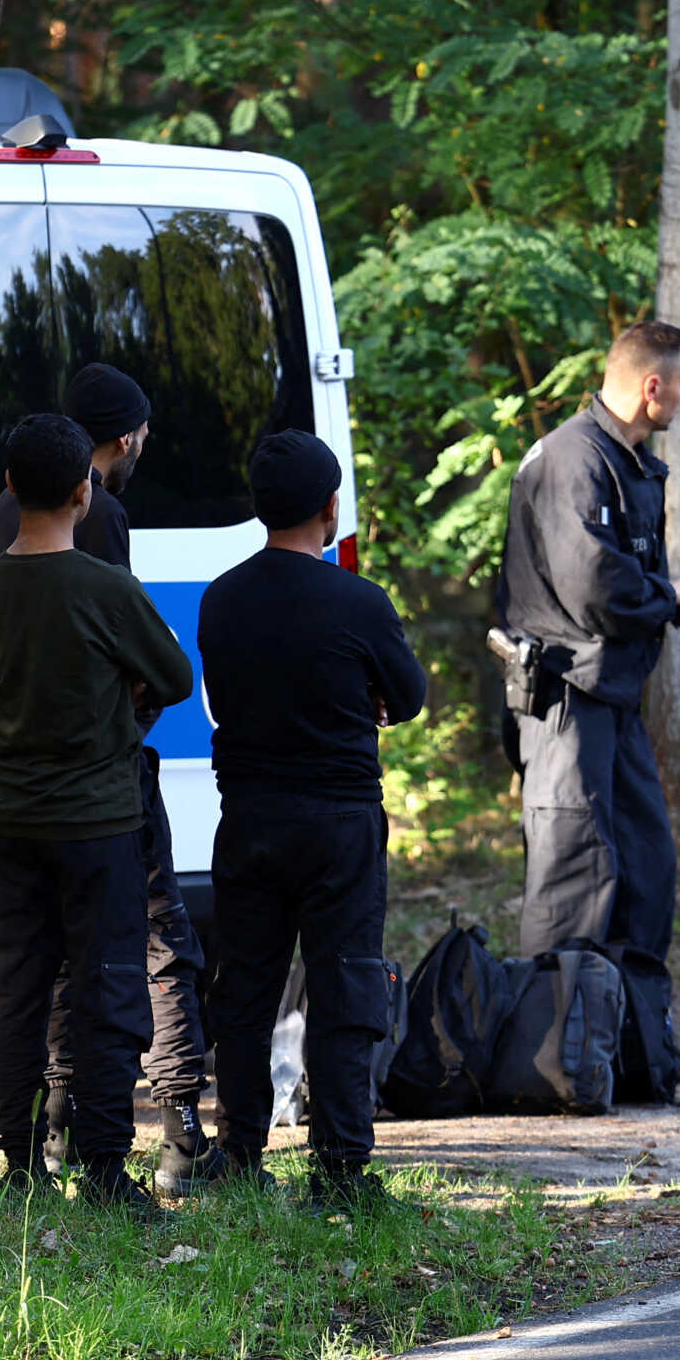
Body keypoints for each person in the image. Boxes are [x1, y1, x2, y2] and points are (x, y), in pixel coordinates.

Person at [0, 362, 222, 1193]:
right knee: (109, 981)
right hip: (97, 814)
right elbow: (174, 673)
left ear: (11, 486)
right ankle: (105, 1165)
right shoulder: (106, 584)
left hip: (7, 812)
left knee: (14, 989)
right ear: (86, 490)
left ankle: (19, 1163)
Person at [199, 431, 426, 1208]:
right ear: (331, 509)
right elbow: (411, 695)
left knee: (245, 991)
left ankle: (238, 1153)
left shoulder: (220, 597)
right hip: (341, 820)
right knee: (344, 984)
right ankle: (339, 1167)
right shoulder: (359, 601)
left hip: (250, 816)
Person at [497, 322, 680, 965]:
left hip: (613, 697)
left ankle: (629, 1055)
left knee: (644, 873)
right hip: (565, 701)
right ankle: (554, 1058)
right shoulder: (572, 460)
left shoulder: (623, 462)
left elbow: (621, 579)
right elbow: (594, 589)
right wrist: (670, 596)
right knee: (575, 881)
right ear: (652, 385)